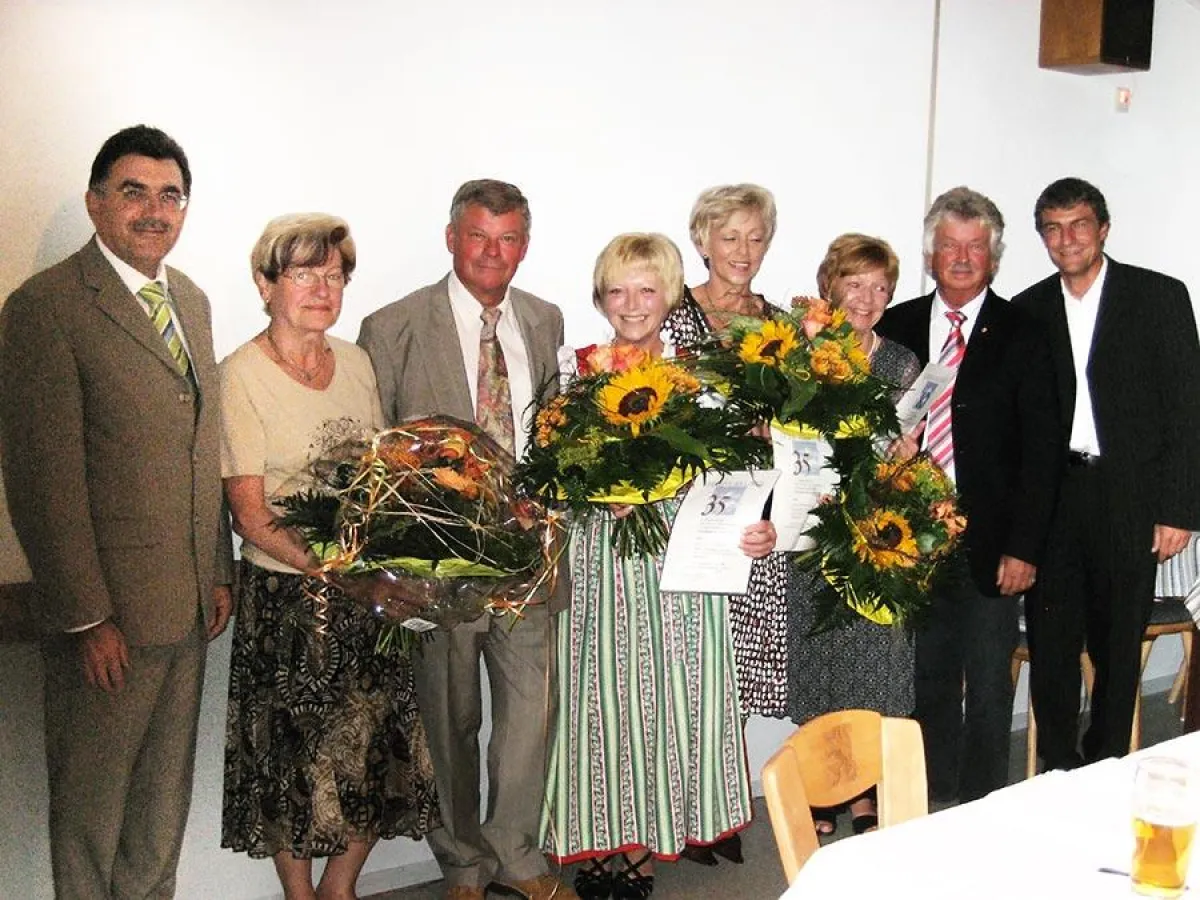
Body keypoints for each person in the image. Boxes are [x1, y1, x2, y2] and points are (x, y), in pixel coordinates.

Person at [0, 125, 233, 899]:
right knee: (91, 817)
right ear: (96, 202)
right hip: (110, 624)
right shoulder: (47, 307)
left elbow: (202, 445)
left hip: (186, 610)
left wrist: (218, 568)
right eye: (134, 192)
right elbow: (44, 481)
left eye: (171, 195)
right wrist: (87, 617)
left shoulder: (190, 300)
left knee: (159, 814)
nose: (154, 211)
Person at [541, 233, 777, 900]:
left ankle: (643, 848)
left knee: (663, 703)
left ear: (670, 294)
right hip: (599, 564)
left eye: (646, 289)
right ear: (600, 298)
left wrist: (760, 528)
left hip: (681, 567)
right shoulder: (574, 373)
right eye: (617, 290)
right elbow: (551, 473)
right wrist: (591, 491)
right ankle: (601, 842)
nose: (632, 303)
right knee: (600, 703)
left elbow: (739, 476)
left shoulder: (703, 378)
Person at [357, 180, 573, 900]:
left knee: (529, 718)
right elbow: (374, 454)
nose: (492, 253)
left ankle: (517, 852)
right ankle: (462, 863)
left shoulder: (543, 319)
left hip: (528, 560)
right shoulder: (392, 326)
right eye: (478, 235)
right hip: (439, 566)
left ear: (525, 246)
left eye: (508, 239)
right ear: (451, 238)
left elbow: (553, 433)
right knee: (450, 721)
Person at [218, 214, 439, 900]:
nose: (322, 288)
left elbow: (378, 478)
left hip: (367, 596)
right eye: (304, 273)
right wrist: (339, 573)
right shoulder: (240, 376)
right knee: (295, 765)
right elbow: (250, 515)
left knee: (372, 754)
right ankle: (301, 896)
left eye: (335, 274)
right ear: (265, 284)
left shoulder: (357, 363)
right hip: (290, 605)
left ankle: (341, 889)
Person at [876, 186, 1061, 803]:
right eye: (950, 246)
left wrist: (1025, 548)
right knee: (925, 680)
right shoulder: (895, 326)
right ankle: (932, 801)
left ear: (994, 258)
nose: (961, 258)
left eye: (975, 247)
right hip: (910, 540)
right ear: (930, 255)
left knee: (986, 685)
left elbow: (1042, 452)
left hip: (993, 541)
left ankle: (984, 805)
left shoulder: (1025, 332)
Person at [1013, 177, 1200, 769]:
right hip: (1054, 498)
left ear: (1103, 229)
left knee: (1118, 646)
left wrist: (1179, 509)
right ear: (1043, 237)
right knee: (1052, 644)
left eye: (1079, 225)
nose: (1066, 239)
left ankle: (1107, 765)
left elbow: (1188, 408)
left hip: (1129, 496)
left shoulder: (1159, 296)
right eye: (1053, 228)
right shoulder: (1027, 309)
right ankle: (1056, 768)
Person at [664, 183, 785, 865]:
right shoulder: (673, 314)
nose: (743, 250)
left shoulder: (780, 324)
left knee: (733, 672)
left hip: (755, 521)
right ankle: (682, 809)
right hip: (691, 514)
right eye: (729, 236)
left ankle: (716, 809)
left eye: (755, 237)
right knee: (690, 665)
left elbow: (802, 421)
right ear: (702, 241)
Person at [786, 233, 920, 834]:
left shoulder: (902, 364)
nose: (866, 298)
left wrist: (906, 455)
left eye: (880, 287)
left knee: (873, 663)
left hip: (875, 535)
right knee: (821, 657)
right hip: (812, 529)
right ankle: (822, 787)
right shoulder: (799, 354)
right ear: (830, 286)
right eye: (855, 284)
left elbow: (905, 451)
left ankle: (864, 794)